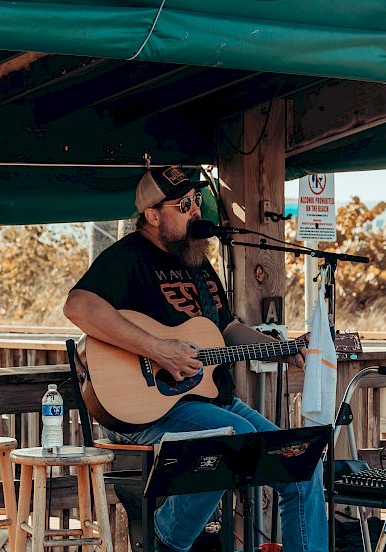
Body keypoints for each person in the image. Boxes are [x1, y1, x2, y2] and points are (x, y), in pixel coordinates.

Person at [64, 165, 328, 552]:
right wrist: (156, 348)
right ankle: (165, 539)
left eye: (196, 201)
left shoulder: (196, 261)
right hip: (148, 409)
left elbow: (224, 330)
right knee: (232, 441)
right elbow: (78, 306)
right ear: (152, 216)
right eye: (183, 205)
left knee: (303, 463)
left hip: (212, 401)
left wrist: (284, 350)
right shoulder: (126, 258)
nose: (195, 211)